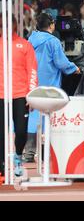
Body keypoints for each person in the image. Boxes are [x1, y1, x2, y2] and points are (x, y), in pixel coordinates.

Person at [24, 13, 80, 162]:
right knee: (50, 116)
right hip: (50, 85)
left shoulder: (30, 40)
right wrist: (74, 68)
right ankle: (47, 152)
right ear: (51, 25)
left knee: (34, 115)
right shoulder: (53, 41)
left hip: (34, 82)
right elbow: (61, 63)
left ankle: (29, 151)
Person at [0, 14, 38, 177]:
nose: (6, 28)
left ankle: (17, 156)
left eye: (9, 24)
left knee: (21, 131)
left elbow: (32, 70)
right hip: (1, 94)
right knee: (1, 133)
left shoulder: (25, 45)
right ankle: (1, 166)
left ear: (15, 25)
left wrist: (31, 93)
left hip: (21, 94)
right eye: (3, 25)